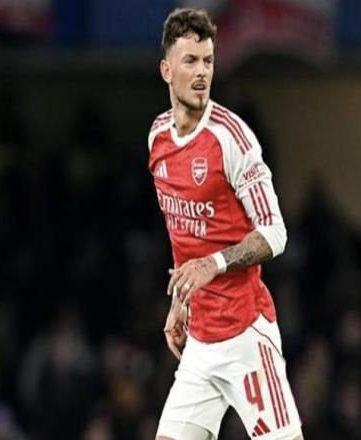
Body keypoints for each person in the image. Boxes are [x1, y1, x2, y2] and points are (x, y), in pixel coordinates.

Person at [147, 7, 303, 440]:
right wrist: (180, 300)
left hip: (245, 333)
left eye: (208, 61)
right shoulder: (157, 138)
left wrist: (211, 265)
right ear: (166, 70)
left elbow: (275, 232)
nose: (202, 72)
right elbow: (183, 232)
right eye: (190, 61)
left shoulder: (232, 139)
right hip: (200, 341)